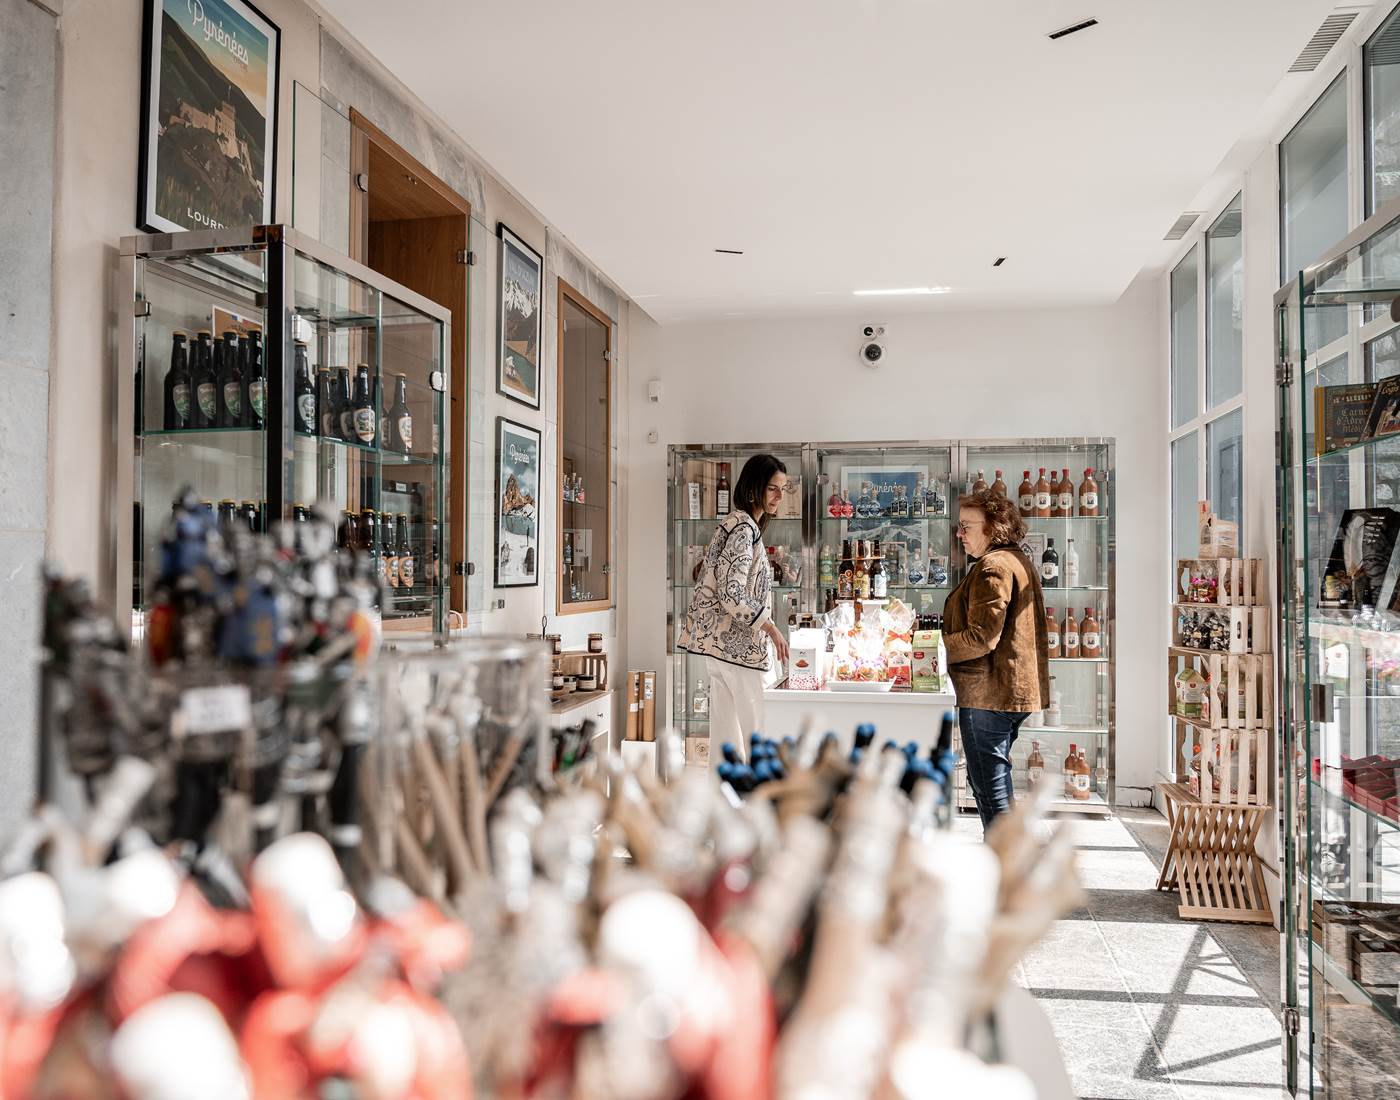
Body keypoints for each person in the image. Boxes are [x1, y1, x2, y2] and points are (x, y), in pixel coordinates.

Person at [942, 488, 1050, 832]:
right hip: (1007, 692)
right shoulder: (1013, 559)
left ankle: (1006, 877)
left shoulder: (994, 566)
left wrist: (931, 648)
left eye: (966, 526)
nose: (960, 534)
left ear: (994, 527)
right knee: (994, 787)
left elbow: (981, 637)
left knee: (992, 795)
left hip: (989, 694)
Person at [677, 454, 790, 763]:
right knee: (757, 740)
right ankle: (755, 803)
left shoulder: (733, 524)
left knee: (726, 746)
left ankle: (725, 802)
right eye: (772, 489)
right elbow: (731, 593)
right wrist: (770, 627)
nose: (779, 497)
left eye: (782, 489)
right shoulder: (743, 531)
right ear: (754, 488)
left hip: (721, 651)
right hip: (741, 653)